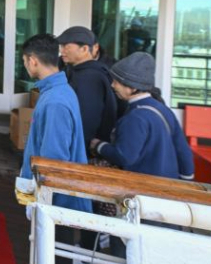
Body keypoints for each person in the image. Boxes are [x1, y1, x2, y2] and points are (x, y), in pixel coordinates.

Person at [17, 34, 92, 262]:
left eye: (24, 61)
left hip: (57, 204)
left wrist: (39, 203)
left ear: (32, 61)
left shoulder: (55, 102)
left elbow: (53, 163)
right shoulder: (58, 91)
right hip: (59, 199)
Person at [91, 52, 194, 180]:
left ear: (133, 88)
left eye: (117, 82)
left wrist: (99, 146)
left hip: (145, 187)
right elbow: (183, 151)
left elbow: (124, 157)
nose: (112, 85)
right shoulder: (162, 108)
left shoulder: (135, 118)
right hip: (168, 183)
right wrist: (187, 180)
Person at [57, 26, 117, 153]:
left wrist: (77, 149)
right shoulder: (78, 70)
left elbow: (87, 121)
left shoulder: (89, 77)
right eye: (61, 47)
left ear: (84, 49)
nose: (62, 51)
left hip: (82, 149)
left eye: (66, 47)